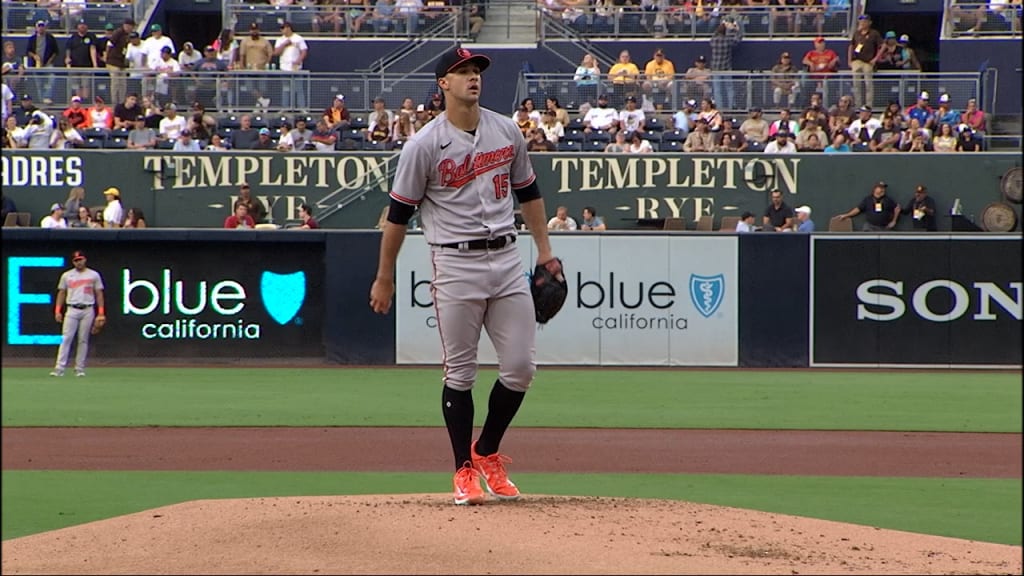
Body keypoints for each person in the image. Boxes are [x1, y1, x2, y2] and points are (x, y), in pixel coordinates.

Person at [369, 46, 562, 507]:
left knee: (520, 369)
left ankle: (488, 451)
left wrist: (545, 252)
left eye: (476, 70)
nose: (472, 77)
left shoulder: (506, 130)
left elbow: (529, 193)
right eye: (462, 71)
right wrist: (384, 277)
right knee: (460, 371)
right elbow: (398, 216)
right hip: (454, 263)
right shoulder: (423, 145)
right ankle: (462, 470)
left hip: (507, 257)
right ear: (444, 84)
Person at [50, 251, 106, 378]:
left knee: (83, 339)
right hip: (72, 308)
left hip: (88, 308)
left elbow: (99, 294)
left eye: (80, 259)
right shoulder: (67, 275)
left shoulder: (93, 275)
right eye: (76, 260)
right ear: (73, 262)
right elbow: (61, 293)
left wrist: (101, 313)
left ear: (85, 259)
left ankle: (79, 368)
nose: (79, 262)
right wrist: (58, 310)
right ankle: (59, 367)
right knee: (66, 338)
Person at [848, 14, 882, 108]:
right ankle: (858, 105)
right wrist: (849, 60)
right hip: (857, 60)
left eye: (865, 21)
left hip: (868, 62)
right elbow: (851, 46)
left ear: (869, 22)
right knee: (856, 85)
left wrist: (876, 58)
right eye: (861, 21)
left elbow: (882, 46)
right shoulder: (856, 33)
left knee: (868, 85)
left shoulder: (874, 33)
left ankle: (868, 106)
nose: (862, 23)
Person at [836, 181, 900, 231]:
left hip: (884, 228)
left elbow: (897, 208)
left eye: (884, 188)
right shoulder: (867, 199)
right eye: (881, 188)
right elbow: (858, 209)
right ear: (875, 189)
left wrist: (894, 221)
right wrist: (846, 215)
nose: (883, 189)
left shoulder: (888, 200)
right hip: (870, 228)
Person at [709, 21, 741, 110]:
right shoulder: (727, 40)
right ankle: (731, 106)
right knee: (729, 88)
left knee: (717, 89)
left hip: (715, 68)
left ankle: (719, 108)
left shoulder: (714, 40)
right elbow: (738, 39)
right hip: (726, 68)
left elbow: (714, 35)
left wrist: (723, 25)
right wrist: (735, 29)